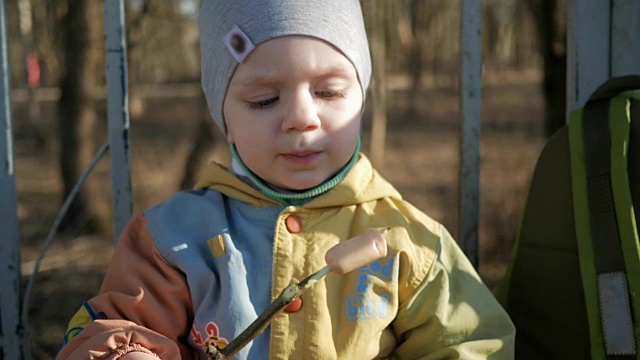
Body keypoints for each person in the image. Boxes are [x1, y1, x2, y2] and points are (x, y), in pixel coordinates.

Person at [57, 1, 515, 359]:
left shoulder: (410, 242)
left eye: (329, 92)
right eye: (263, 100)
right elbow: (110, 328)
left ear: (361, 98)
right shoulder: (173, 240)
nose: (301, 118)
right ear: (225, 119)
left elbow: (472, 345)